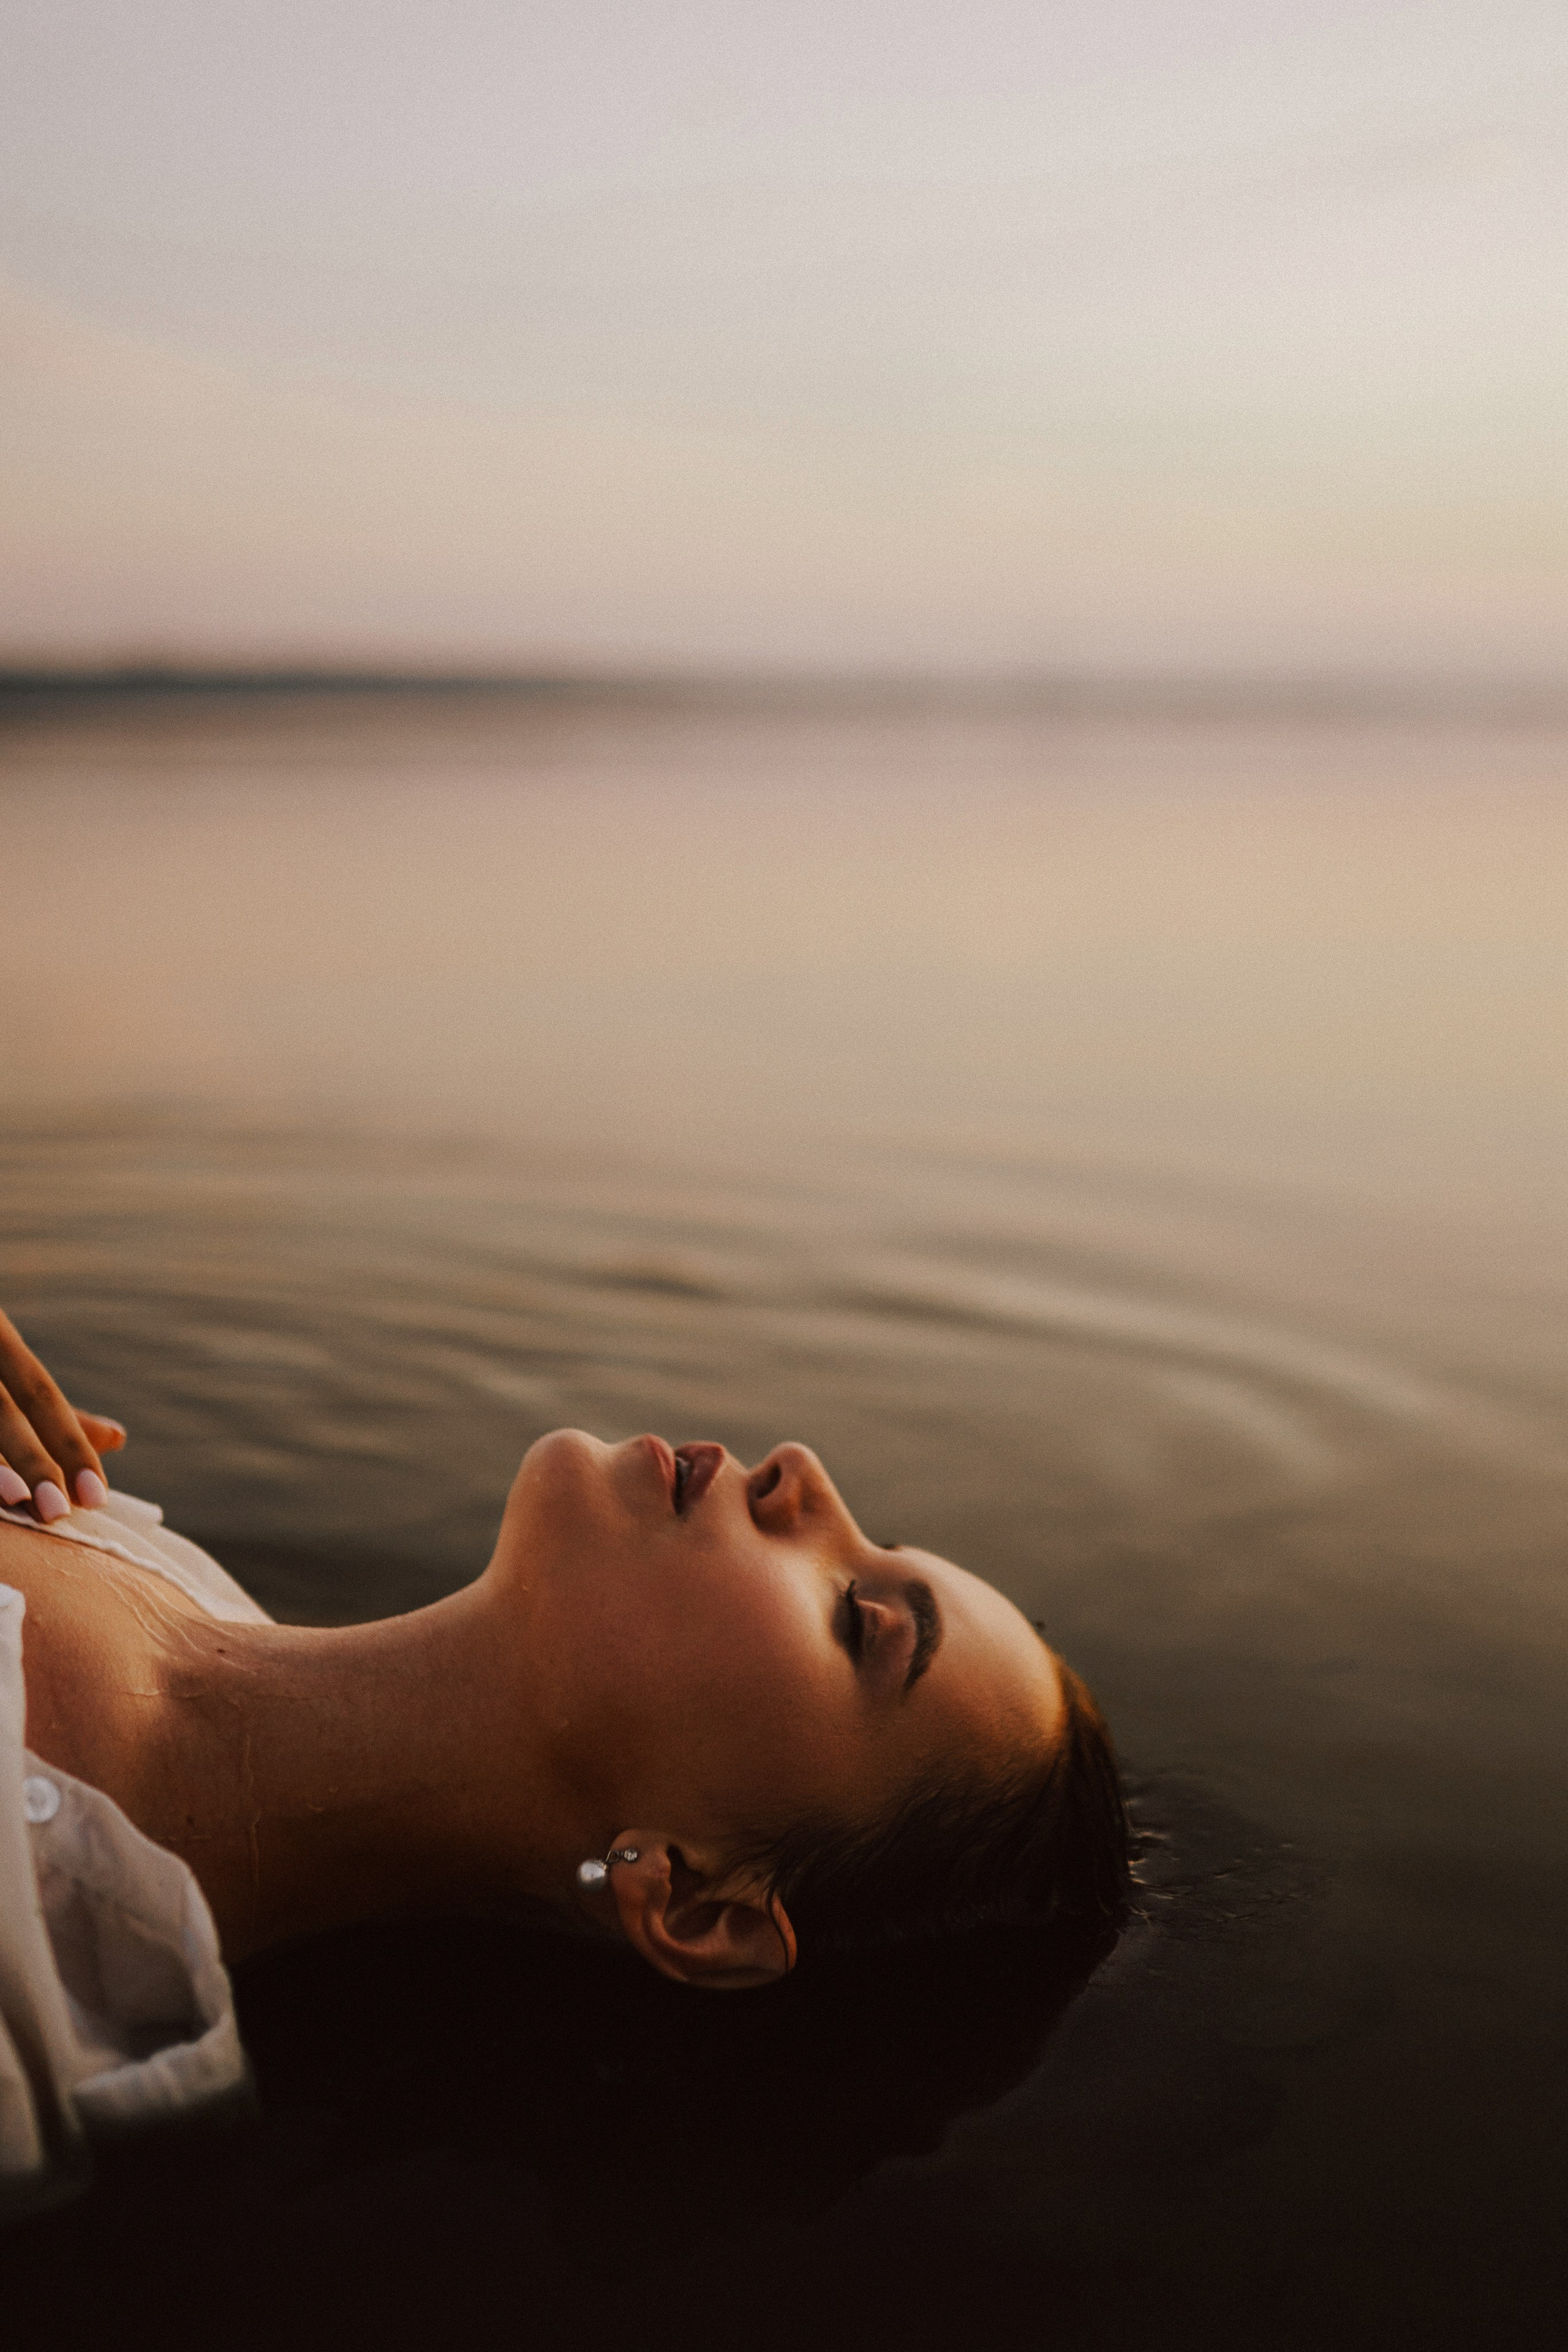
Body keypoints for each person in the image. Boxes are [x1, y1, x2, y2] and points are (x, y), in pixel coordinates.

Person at [0, 1308, 1129, 2211]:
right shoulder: (123, 1534)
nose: (802, 1472)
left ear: (690, 1899)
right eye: (872, 1536)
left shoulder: (33, 2029)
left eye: (859, 1622)